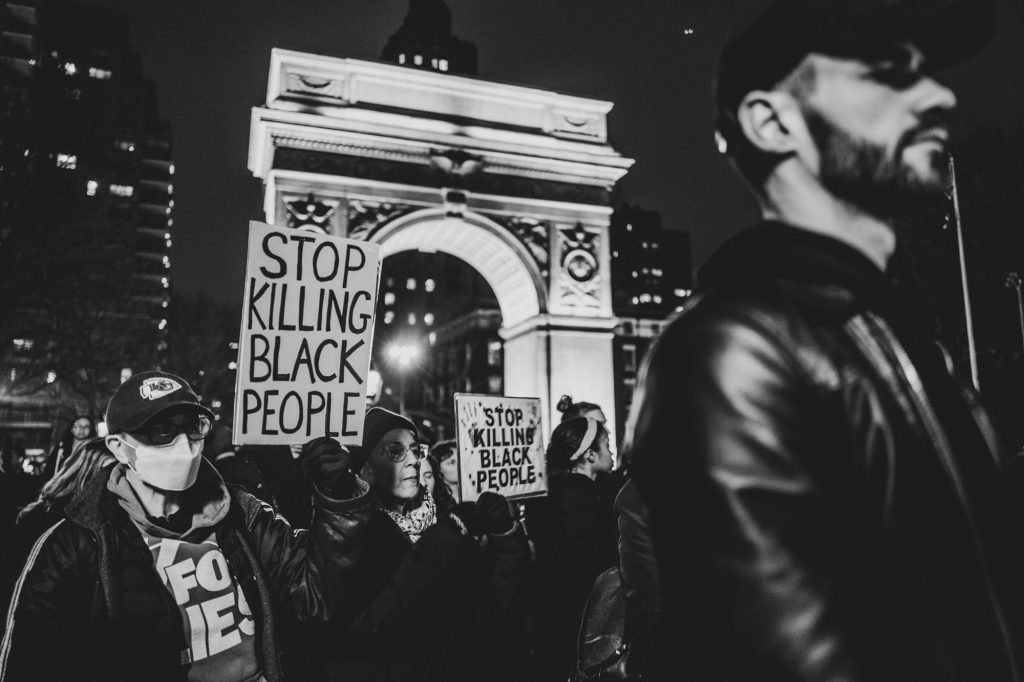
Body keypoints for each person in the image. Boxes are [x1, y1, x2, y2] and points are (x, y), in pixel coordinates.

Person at [628, 0, 1024, 679]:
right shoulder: (730, 352)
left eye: (927, 72)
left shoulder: (901, 340)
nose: (939, 94)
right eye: (884, 73)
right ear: (771, 121)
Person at [1, 370, 372, 681]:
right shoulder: (72, 546)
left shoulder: (243, 514)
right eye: (160, 431)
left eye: (193, 428)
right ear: (118, 446)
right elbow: (30, 664)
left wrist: (338, 496)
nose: (184, 444)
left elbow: (316, 599)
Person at [323, 407, 531, 682]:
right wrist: (442, 540)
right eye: (395, 451)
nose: (413, 461)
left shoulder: (447, 521)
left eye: (416, 450)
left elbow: (491, 609)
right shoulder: (350, 536)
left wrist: (507, 538)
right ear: (365, 468)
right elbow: (368, 629)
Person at [524, 416, 618, 680]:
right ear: (589, 455)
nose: (611, 452)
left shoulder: (555, 497)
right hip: (581, 628)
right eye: (606, 444)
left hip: (556, 629)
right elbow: (590, 574)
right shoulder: (581, 506)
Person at [43, 415, 95, 481]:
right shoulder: (61, 448)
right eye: (79, 426)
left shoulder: (94, 451)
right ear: (71, 429)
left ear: (91, 429)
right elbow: (49, 471)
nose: (82, 429)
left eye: (86, 426)